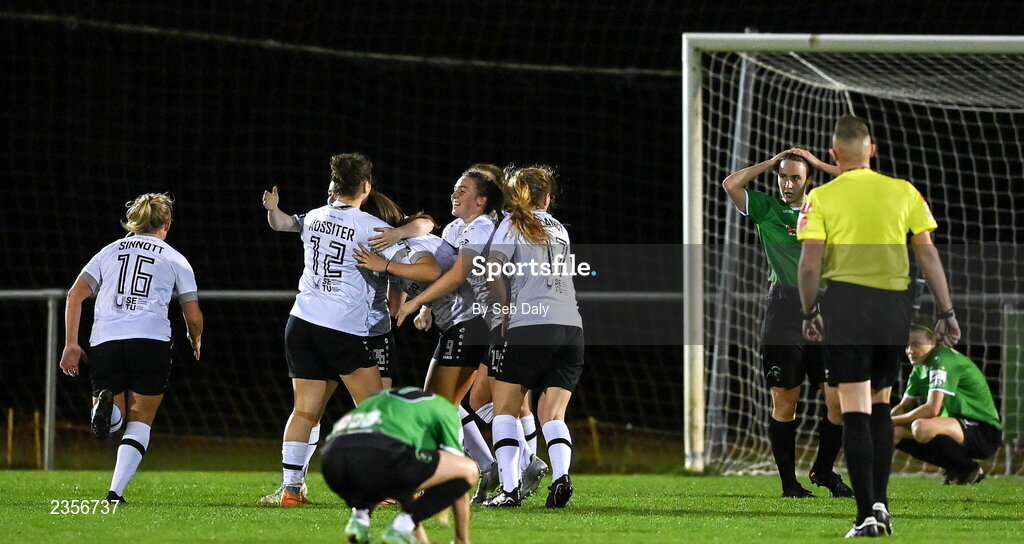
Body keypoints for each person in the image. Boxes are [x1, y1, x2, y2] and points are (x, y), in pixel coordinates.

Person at [797, 115, 961, 537]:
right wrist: (946, 312)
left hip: (847, 303)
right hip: (894, 307)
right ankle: (882, 507)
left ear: (834, 155)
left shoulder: (821, 196)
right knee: (881, 407)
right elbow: (927, 253)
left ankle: (865, 515)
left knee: (854, 410)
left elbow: (810, 262)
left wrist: (810, 310)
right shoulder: (904, 191)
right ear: (872, 150)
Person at [259, 152, 410, 506]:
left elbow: (280, 224)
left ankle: (291, 490)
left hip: (301, 322)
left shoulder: (313, 216)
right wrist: (402, 301)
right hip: (341, 327)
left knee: (305, 411)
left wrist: (272, 208)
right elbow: (402, 268)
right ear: (366, 187)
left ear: (334, 187)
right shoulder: (373, 229)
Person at [394, 165, 547, 502]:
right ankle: (500, 465)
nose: (454, 194)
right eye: (454, 188)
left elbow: (457, 275)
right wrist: (427, 308)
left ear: (480, 200)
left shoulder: (482, 227)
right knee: (455, 404)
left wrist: (415, 302)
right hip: (463, 323)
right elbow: (439, 269)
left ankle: (461, 472)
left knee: (444, 404)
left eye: (462, 190)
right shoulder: (453, 228)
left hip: (477, 323)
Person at [722, 148, 852, 498]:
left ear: (809, 180)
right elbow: (731, 183)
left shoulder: (825, 209)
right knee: (784, 402)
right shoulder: (768, 209)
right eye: (783, 176)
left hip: (825, 311)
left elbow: (854, 179)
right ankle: (789, 485)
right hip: (783, 312)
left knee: (838, 403)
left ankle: (824, 470)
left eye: (796, 177)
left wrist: (816, 162)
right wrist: (772, 161)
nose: (787, 183)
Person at [59, 193, 203, 503]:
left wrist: (71, 344)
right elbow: (192, 314)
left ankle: (105, 411)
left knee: (115, 423)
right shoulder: (175, 258)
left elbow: (74, 296)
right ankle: (115, 492)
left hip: (106, 340)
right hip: (150, 341)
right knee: (140, 422)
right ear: (167, 223)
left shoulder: (108, 252)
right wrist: (195, 338)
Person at [482, 165, 582, 508]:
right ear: (548, 198)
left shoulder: (512, 223)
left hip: (532, 323)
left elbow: (493, 269)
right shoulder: (560, 230)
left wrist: (506, 308)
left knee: (505, 410)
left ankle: (509, 490)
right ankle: (561, 477)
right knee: (553, 415)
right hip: (572, 326)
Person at [322, 387, 477, 544]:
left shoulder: (383, 400)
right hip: (380, 453)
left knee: (392, 480)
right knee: (469, 468)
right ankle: (401, 526)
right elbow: (459, 474)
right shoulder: (445, 408)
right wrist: (461, 540)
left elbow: (407, 493)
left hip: (331, 461)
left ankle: (359, 519)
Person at [892, 324, 1001, 484]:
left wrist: (891, 421)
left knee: (921, 427)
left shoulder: (942, 359)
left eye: (916, 344)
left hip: (983, 431)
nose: (910, 350)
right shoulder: (919, 368)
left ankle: (968, 467)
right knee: (893, 433)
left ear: (932, 341)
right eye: (907, 345)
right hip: (955, 427)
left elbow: (932, 409)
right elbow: (903, 407)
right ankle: (957, 468)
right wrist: (882, 424)